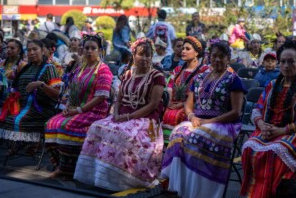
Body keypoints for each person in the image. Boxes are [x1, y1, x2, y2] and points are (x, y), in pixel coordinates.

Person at [74, 38, 165, 191]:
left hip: (145, 120)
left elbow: (153, 105)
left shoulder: (157, 76)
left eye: (148, 55)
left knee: (122, 134)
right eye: (141, 54)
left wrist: (128, 117)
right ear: (133, 56)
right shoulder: (128, 73)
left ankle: (120, 181)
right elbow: (118, 99)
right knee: (96, 127)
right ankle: (97, 176)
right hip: (122, 115)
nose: (144, 58)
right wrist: (115, 114)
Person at [161, 42, 246, 198]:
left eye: (222, 56)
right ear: (209, 57)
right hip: (198, 121)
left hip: (223, 124)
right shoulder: (200, 77)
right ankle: (179, 188)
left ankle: (199, 191)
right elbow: (189, 104)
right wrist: (192, 116)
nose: (217, 60)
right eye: (214, 56)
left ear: (228, 58)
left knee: (195, 137)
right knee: (177, 134)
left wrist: (209, 121)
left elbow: (236, 112)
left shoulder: (233, 79)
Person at [240, 40, 296, 198]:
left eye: (291, 61)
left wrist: (282, 130)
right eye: (283, 61)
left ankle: (274, 194)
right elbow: (258, 109)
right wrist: (262, 125)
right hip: (269, 129)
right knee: (249, 148)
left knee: (275, 153)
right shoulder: (271, 85)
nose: (286, 65)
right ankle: (255, 194)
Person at [45, 35, 113, 180]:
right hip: (76, 108)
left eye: (93, 48)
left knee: (66, 126)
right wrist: (67, 107)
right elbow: (71, 91)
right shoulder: (80, 68)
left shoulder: (103, 70)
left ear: (100, 50)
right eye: (86, 48)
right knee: (50, 124)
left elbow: (100, 97)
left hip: (94, 111)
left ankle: (68, 169)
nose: (89, 51)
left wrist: (79, 110)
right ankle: (60, 166)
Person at [0, 40, 62, 155]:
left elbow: (57, 94)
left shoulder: (50, 68)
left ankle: (25, 143)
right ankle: (23, 143)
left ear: (43, 51)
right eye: (29, 50)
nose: (31, 52)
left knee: (18, 120)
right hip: (22, 107)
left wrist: (42, 85)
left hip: (41, 109)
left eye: (35, 49)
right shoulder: (26, 68)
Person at [162, 36, 209, 140]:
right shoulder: (178, 69)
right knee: (161, 110)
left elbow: (200, 94)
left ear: (196, 53)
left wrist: (183, 104)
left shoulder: (204, 71)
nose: (183, 51)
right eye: (183, 48)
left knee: (177, 115)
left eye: (187, 49)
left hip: (192, 107)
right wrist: (169, 101)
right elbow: (169, 86)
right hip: (173, 103)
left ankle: (178, 143)